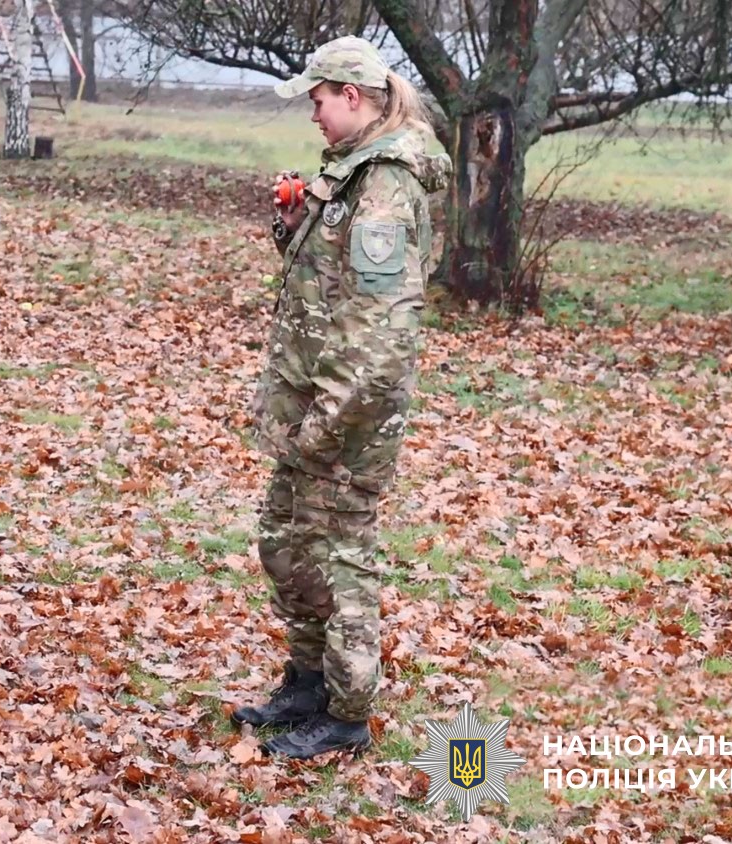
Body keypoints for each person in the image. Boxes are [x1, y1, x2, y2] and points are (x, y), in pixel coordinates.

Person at [231, 36, 452, 760]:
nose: (314, 115)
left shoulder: (386, 184)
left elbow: (383, 330)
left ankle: (347, 712)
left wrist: (329, 420)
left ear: (351, 97)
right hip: (311, 406)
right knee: (285, 545)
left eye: (319, 100)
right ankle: (307, 682)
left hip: (346, 416)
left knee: (337, 556)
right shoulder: (351, 175)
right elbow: (332, 286)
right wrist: (295, 228)